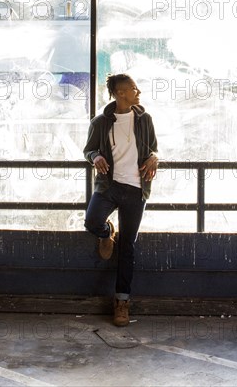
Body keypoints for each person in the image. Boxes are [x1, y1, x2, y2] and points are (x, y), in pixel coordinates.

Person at [83, 73, 158, 327]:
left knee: (128, 246)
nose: (139, 92)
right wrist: (95, 157)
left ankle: (122, 302)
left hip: (136, 190)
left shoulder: (145, 119)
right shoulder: (101, 122)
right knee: (92, 221)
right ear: (121, 93)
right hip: (109, 186)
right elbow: (89, 149)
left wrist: (154, 158)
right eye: (135, 89)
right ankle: (106, 234)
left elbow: (153, 149)